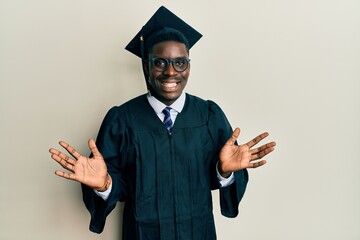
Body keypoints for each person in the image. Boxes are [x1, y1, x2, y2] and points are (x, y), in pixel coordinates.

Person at [49, 6, 276, 240]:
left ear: (188, 66)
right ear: (146, 66)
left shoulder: (209, 116)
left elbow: (215, 178)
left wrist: (223, 171)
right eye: (160, 62)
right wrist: (104, 184)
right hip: (142, 233)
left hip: (198, 232)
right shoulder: (123, 119)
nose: (170, 72)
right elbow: (119, 185)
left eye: (180, 62)